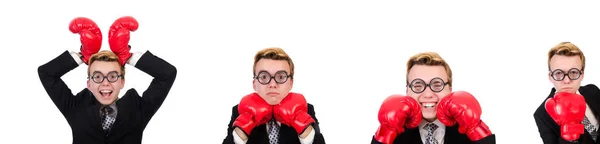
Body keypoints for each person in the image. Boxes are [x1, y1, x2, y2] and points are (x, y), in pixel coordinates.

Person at [38, 16, 177, 144]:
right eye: (98, 77)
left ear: (122, 81)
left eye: (112, 76)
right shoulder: (75, 106)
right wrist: (83, 56)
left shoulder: (138, 108)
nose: (105, 82)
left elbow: (167, 74)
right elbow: (46, 73)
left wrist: (127, 56)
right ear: (89, 83)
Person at [370, 52, 496, 144]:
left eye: (437, 84)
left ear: (450, 89)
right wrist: (385, 133)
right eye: (418, 85)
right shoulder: (394, 132)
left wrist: (477, 129)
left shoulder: (468, 129)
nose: (428, 94)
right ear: (407, 90)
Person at [222, 47, 326, 144]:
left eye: (281, 77)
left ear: (291, 83)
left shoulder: (305, 109)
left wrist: (303, 126)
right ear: (254, 84)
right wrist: (242, 130)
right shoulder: (240, 110)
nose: (272, 84)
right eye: (264, 76)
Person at [534, 41, 600, 143]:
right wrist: (569, 133)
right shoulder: (542, 114)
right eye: (559, 73)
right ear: (550, 77)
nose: (567, 80)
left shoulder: (593, 91)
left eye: (573, 72)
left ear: (582, 74)